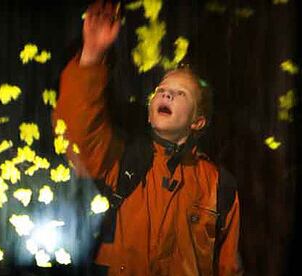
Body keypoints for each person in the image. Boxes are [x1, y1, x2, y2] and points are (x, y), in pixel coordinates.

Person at [53, 1, 243, 275]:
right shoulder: (125, 160)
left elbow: (228, 266)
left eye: (180, 94)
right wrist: (92, 56)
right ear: (150, 114)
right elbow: (81, 134)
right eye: (162, 90)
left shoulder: (219, 185)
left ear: (198, 122)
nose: (166, 95)